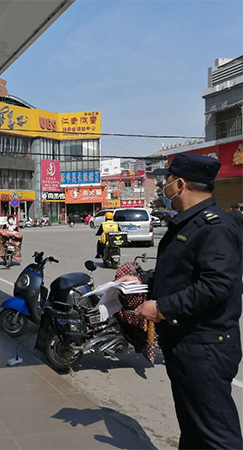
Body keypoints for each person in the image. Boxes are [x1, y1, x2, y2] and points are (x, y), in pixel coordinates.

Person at [119, 153, 242, 449]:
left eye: (168, 180)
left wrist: (161, 308)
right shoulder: (190, 223)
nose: (165, 186)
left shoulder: (214, 227)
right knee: (193, 428)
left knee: (217, 436)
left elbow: (216, 286)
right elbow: (180, 274)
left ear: (181, 184)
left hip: (205, 346)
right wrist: (143, 281)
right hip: (186, 342)